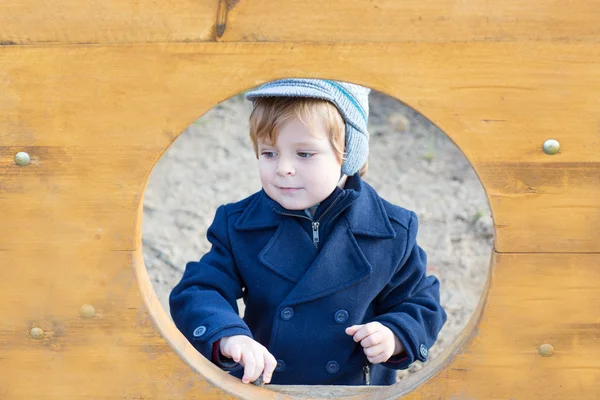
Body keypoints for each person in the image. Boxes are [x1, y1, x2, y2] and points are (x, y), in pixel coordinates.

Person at [169, 78, 447, 386]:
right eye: (269, 153)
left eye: (304, 154)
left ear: (348, 154)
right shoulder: (238, 225)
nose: (283, 168)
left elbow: (422, 302)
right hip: (268, 385)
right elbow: (201, 290)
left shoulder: (391, 231)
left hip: (354, 388)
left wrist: (396, 334)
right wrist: (228, 334)